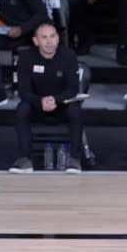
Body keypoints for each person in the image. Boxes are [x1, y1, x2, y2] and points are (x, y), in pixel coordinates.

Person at [8, 22, 84, 174]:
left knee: (75, 110)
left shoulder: (69, 56)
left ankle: (75, 159)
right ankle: (25, 159)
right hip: (36, 106)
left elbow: (73, 89)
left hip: (62, 105)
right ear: (36, 41)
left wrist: (55, 100)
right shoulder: (26, 57)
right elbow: (23, 91)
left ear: (58, 38)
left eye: (52, 36)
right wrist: (40, 101)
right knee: (22, 109)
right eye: (44, 37)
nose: (49, 41)